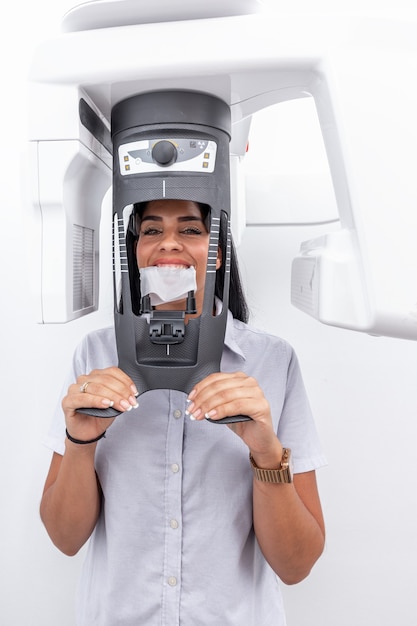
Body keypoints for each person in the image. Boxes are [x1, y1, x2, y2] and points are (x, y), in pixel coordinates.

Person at [40, 198, 326, 626]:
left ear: (219, 252)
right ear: (133, 251)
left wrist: (267, 455)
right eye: (151, 230)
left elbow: (296, 565)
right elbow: (65, 539)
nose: (168, 244)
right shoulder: (96, 355)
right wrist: (80, 442)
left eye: (190, 230)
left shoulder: (272, 361)